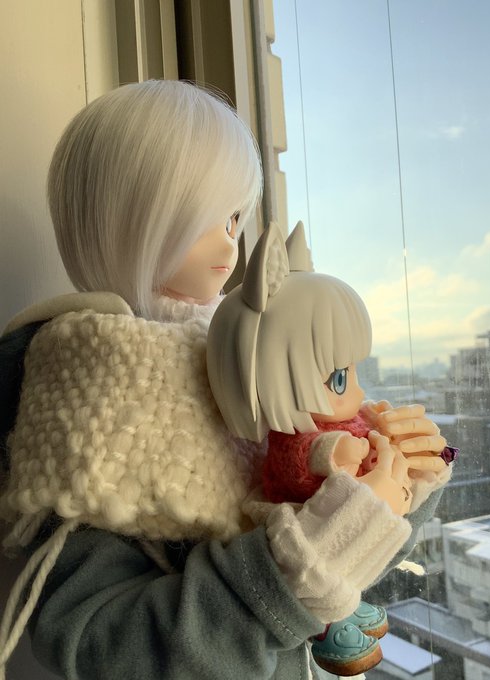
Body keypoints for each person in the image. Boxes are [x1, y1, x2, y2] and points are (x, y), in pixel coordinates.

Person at [1, 79, 450, 680]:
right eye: (201, 216)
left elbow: (324, 527)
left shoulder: (251, 345)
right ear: (127, 217)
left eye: (234, 216)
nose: (230, 240)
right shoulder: (82, 392)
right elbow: (102, 645)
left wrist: (395, 485)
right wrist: (303, 565)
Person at [207, 222, 456, 676]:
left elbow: (384, 533)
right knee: (316, 562)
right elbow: (297, 462)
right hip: (296, 517)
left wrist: (401, 447)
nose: (355, 392)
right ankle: (328, 624)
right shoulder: (291, 437)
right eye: (340, 379)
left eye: (354, 372)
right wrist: (338, 452)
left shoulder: (348, 414)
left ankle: (346, 604)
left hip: (337, 517)